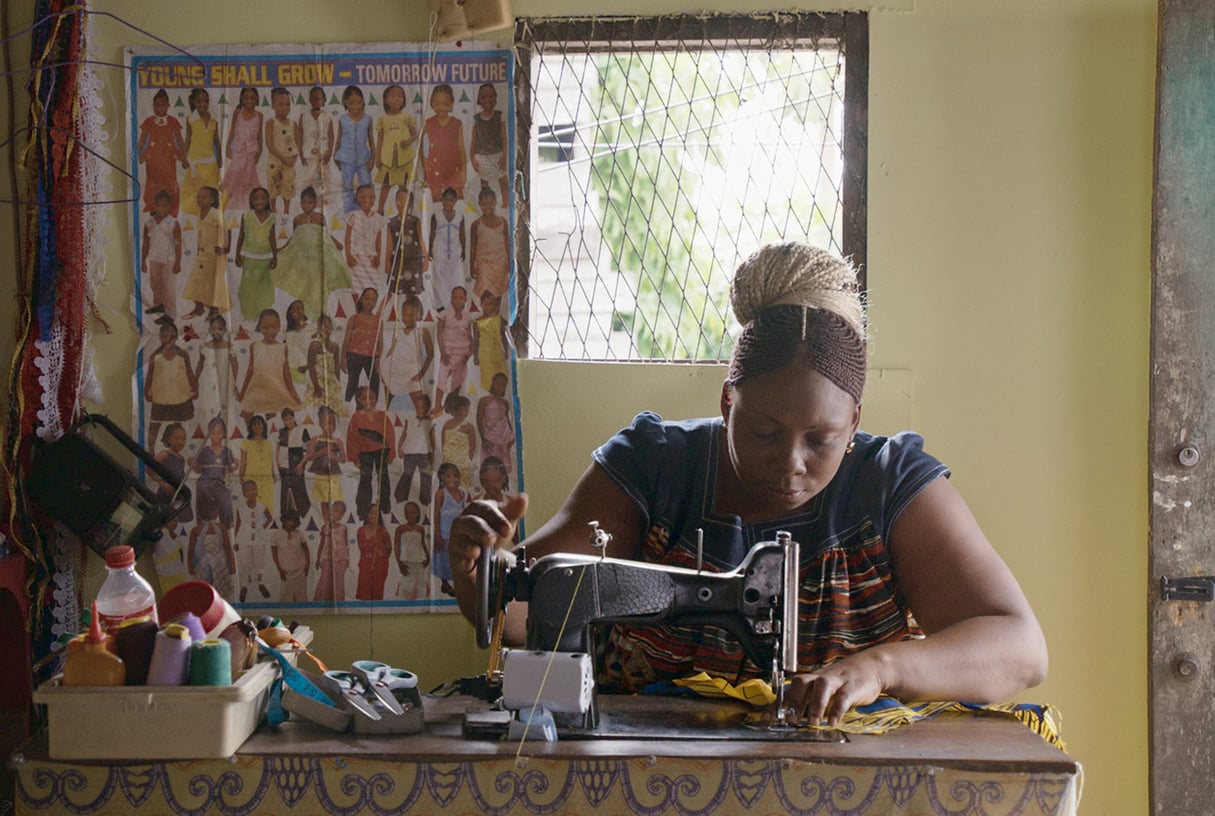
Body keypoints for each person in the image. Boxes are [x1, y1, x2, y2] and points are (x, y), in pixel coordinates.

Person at [449, 242, 1048, 726]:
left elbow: (1019, 648)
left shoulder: (891, 486)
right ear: (727, 403)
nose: (791, 461)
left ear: (855, 422)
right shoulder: (653, 467)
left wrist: (878, 669)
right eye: (763, 431)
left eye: (821, 439)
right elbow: (533, 609)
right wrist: (480, 574)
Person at [273, 186, 352, 319]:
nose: (306, 205)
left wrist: (336, 243)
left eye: (310, 202)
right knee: (304, 287)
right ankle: (305, 315)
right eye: (304, 202)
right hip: (303, 261)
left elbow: (325, 236)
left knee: (317, 287)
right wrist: (281, 249)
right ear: (300, 203)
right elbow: (294, 240)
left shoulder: (319, 217)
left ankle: (318, 315)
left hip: (317, 261)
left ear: (315, 204)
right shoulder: (297, 219)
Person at [238, 308, 301, 420]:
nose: (269, 331)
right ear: (259, 327)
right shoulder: (255, 346)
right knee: (246, 413)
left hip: (276, 391)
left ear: (279, 327)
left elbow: (286, 374)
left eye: (274, 327)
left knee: (274, 418)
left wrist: (294, 395)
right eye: (265, 327)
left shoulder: (282, 347)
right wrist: (242, 393)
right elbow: (250, 371)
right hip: (257, 390)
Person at [143, 318, 197, 447]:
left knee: (183, 424)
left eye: (171, 336)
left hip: (181, 397)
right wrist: (147, 391)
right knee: (155, 424)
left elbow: (189, 372)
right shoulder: (155, 356)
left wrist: (195, 387)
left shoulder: (182, 354)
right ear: (160, 337)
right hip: (161, 398)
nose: (167, 339)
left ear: (176, 337)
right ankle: (150, 452)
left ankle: (184, 450)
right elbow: (150, 375)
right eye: (164, 336)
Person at [181, 185, 230, 320]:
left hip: (214, 255)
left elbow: (226, 228)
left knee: (212, 283)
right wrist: (198, 248)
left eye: (204, 197)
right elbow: (201, 233)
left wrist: (226, 247)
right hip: (202, 254)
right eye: (198, 197)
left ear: (212, 200)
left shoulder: (215, 214)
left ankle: (214, 310)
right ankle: (198, 307)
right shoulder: (199, 214)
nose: (200, 200)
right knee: (195, 281)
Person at [137, 88, 185, 216]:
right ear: (153, 106)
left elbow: (180, 141)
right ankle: (153, 206)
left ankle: (170, 208)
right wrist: (137, 155)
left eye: (162, 105)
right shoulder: (148, 122)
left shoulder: (173, 122)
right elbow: (142, 140)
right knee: (153, 182)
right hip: (153, 158)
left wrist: (184, 158)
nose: (159, 108)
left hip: (169, 158)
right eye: (156, 105)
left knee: (170, 182)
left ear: (168, 106)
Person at [234, 188, 278, 318]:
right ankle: (248, 314)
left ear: (267, 201)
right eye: (256, 199)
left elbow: (272, 238)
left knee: (263, 286)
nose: (259, 201)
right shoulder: (247, 215)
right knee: (247, 286)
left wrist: (275, 257)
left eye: (263, 199)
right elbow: (241, 235)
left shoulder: (272, 217)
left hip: (265, 258)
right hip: (249, 257)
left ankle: (261, 314)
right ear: (251, 201)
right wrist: (237, 254)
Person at [374, 84, 418, 215]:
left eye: (400, 96)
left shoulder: (407, 117)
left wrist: (408, 141)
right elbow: (380, 140)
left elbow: (415, 135)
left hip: (404, 158)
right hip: (388, 159)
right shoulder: (383, 119)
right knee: (386, 184)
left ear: (404, 100)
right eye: (393, 96)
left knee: (403, 186)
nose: (397, 98)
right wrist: (377, 158)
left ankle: (403, 210)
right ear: (386, 100)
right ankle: (380, 209)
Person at [180, 88, 222, 217]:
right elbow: (187, 139)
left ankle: (211, 213)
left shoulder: (214, 120)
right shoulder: (191, 119)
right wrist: (183, 157)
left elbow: (216, 140)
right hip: (195, 161)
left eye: (205, 101)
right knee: (196, 188)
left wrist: (219, 157)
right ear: (194, 102)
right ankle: (197, 213)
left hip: (210, 162)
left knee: (210, 187)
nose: (202, 104)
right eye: (199, 101)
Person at [421, 84, 466, 202]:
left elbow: (461, 148)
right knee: (436, 201)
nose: (441, 107)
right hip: (434, 169)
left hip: (453, 170)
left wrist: (464, 169)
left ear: (451, 105)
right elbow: (416, 141)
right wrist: (422, 159)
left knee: (457, 200)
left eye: (445, 104)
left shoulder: (457, 124)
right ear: (432, 104)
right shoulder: (428, 123)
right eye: (437, 104)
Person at [141, 190, 182, 318]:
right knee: (155, 284)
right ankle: (158, 304)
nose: (161, 208)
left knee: (167, 286)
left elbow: (178, 244)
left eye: (165, 206)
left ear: (170, 207)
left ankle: (170, 314)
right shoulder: (149, 223)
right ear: (154, 205)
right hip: (154, 259)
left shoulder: (173, 224)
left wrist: (178, 262)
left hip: (168, 260)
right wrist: (143, 260)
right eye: (159, 205)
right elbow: (146, 243)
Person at [223, 87, 264, 212]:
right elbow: (232, 130)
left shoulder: (259, 115)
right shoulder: (238, 113)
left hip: (251, 151)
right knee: (235, 174)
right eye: (246, 98)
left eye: (252, 98)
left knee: (248, 176)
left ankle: (246, 204)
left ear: (256, 99)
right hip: (238, 150)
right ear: (241, 99)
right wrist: (227, 146)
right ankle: (230, 202)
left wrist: (260, 151)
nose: (249, 101)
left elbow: (259, 135)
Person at [334, 85, 373, 214]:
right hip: (346, 157)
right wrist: (336, 155)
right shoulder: (343, 119)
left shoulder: (368, 119)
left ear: (363, 102)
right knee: (347, 186)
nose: (355, 106)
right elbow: (338, 138)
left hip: (363, 158)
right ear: (346, 103)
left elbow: (372, 140)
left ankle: (365, 211)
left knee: (366, 184)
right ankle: (349, 213)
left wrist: (373, 158)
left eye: (359, 102)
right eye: (351, 103)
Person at [233, 479, 273, 603]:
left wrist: (263, 527)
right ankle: (244, 587)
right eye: (248, 490)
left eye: (253, 489)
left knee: (259, 564)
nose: (251, 492)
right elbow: (238, 525)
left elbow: (269, 518)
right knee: (244, 564)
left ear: (257, 491)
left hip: (259, 539)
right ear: (244, 493)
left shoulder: (261, 506)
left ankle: (260, 584)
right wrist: (235, 540)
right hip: (244, 539)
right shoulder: (240, 508)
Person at [468, 187, 509, 303]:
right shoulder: (476, 224)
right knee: (485, 294)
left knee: (498, 294)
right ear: (479, 204)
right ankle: (486, 319)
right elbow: (473, 247)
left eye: (491, 203)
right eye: (484, 204)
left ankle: (496, 317)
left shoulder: (503, 222)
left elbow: (507, 243)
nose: (488, 207)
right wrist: (471, 266)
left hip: (500, 263)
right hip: (483, 265)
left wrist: (509, 262)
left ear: (495, 202)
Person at [470, 83, 508, 203]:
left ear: (495, 98)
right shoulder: (476, 119)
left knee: (503, 182)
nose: (487, 100)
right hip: (481, 156)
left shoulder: (499, 116)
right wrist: (472, 158)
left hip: (497, 154)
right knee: (484, 184)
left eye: (490, 96)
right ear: (479, 100)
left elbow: (504, 138)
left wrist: (504, 156)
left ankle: (505, 204)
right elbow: (473, 140)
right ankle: (486, 205)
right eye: (483, 97)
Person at [265, 87, 299, 217]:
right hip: (275, 159)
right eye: (280, 104)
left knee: (288, 183)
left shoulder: (293, 124)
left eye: (287, 104)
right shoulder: (271, 123)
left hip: (289, 161)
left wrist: (294, 158)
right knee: (273, 182)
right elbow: (269, 144)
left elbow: (296, 143)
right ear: (273, 105)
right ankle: (273, 208)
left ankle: (286, 210)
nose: (285, 107)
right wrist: (282, 158)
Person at [314, 499, 351, 602]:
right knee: (325, 580)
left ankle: (338, 600)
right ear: (330, 511)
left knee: (339, 581)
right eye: (335, 510)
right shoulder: (325, 527)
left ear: (343, 514)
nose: (337, 514)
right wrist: (318, 558)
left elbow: (346, 544)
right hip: (327, 558)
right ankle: (321, 600)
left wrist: (347, 559)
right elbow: (322, 543)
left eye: (340, 512)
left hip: (341, 559)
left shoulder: (344, 528)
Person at [393, 501, 430, 600]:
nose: (409, 515)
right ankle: (402, 601)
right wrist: (399, 563)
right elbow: (396, 546)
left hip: (419, 559)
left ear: (418, 513)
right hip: (406, 559)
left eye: (412, 512)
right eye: (407, 513)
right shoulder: (400, 529)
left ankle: (420, 601)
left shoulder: (420, 529)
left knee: (420, 581)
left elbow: (422, 544)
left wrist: (428, 557)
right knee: (406, 582)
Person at [354, 503, 392, 601]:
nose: (373, 516)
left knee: (377, 593)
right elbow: (360, 548)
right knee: (364, 593)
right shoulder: (360, 531)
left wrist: (381, 559)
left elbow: (389, 548)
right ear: (366, 515)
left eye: (376, 513)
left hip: (380, 567)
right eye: (371, 513)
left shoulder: (383, 531)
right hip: (365, 566)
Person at [271, 512, 310, 603]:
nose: (290, 523)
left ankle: (302, 614)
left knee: (301, 595)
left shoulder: (299, 534)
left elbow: (306, 550)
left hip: (300, 569)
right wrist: (280, 569)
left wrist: (307, 565)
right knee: (285, 595)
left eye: (292, 521)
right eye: (288, 520)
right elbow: (274, 554)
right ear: (283, 520)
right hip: (286, 570)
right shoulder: (276, 534)